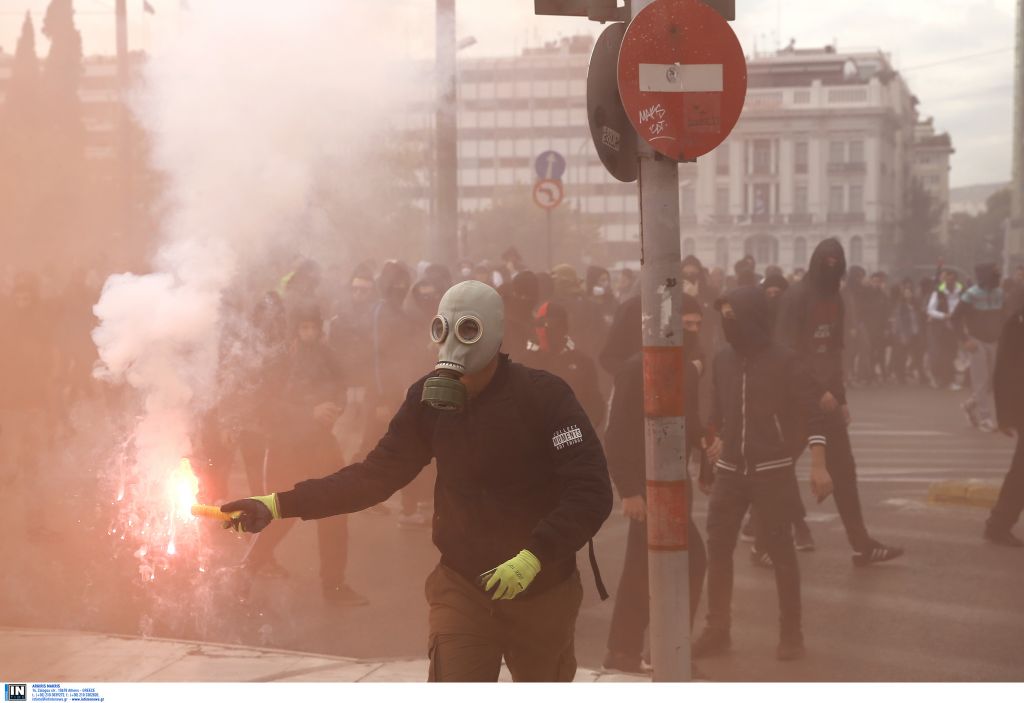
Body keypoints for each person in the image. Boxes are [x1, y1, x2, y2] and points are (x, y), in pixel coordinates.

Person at [222, 281, 613, 682]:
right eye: (442, 329)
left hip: (542, 594)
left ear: (494, 335)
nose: (451, 345)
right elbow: (373, 477)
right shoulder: (428, 401)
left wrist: (535, 555)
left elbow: (591, 490)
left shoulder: (545, 398)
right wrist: (275, 505)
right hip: (463, 589)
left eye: (467, 331)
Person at [695, 286, 833, 662]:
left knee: (782, 554)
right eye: (722, 316)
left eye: (732, 316)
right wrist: (713, 451)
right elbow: (717, 415)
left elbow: (814, 415)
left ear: (752, 317)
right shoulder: (722, 359)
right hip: (729, 474)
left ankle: (792, 634)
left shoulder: (785, 361)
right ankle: (717, 629)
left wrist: (818, 465)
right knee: (718, 550)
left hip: (773, 472)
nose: (726, 324)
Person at [775, 239, 904, 565]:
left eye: (837, 262)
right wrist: (819, 391)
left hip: (828, 399)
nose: (832, 268)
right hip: (797, 397)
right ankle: (760, 531)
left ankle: (862, 544)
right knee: (777, 466)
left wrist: (841, 397)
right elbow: (788, 354)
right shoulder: (796, 297)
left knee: (844, 470)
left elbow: (834, 351)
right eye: (827, 262)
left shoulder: (836, 298)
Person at [602, 293, 707, 675]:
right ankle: (664, 649)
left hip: (672, 481)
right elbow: (616, 435)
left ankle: (629, 649)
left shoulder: (684, 366)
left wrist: (706, 445)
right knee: (688, 561)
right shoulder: (636, 368)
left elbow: (687, 419)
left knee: (643, 567)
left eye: (698, 326)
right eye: (688, 326)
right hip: (648, 487)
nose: (694, 333)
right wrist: (628, 490)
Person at [240, 303, 365, 605]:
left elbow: (339, 388)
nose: (308, 333)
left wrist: (333, 410)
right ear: (293, 329)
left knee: (334, 513)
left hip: (322, 446)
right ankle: (243, 572)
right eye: (302, 327)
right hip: (286, 447)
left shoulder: (327, 356)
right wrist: (309, 412)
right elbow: (265, 404)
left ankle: (334, 586)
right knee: (280, 515)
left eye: (313, 327)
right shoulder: (279, 359)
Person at [525, 301, 606, 431]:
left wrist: (582, 433)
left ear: (563, 327)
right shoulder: (524, 362)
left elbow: (595, 404)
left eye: (550, 325)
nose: (545, 331)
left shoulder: (582, 363)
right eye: (540, 325)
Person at [984, 300, 1024, 546]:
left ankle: (998, 523)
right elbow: (1005, 366)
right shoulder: (1018, 320)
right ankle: (998, 524)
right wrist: (1005, 415)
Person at [952, 263, 1007, 432]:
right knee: (981, 380)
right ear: (984, 277)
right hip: (977, 342)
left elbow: (1004, 317)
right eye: (994, 276)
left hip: (995, 341)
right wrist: (965, 339)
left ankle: (969, 405)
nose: (997, 279)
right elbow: (955, 318)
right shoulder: (971, 295)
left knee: (991, 381)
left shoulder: (1000, 294)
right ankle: (985, 418)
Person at [926, 269, 963, 390]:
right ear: (944, 279)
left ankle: (947, 379)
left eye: (952, 279)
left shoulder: (961, 292)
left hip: (956, 326)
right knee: (943, 354)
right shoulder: (937, 293)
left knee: (952, 354)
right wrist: (944, 316)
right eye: (947, 279)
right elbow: (930, 310)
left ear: (955, 280)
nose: (949, 281)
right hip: (941, 328)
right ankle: (945, 380)